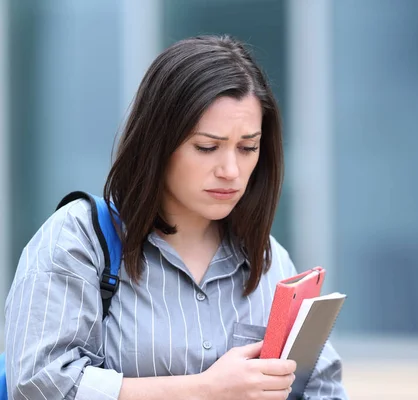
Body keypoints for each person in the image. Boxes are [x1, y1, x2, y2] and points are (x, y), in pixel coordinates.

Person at [3, 35, 348, 400]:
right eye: (207, 147)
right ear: (158, 144)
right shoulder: (78, 240)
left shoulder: (268, 259)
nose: (231, 169)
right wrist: (205, 390)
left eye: (248, 147)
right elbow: (37, 383)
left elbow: (322, 389)